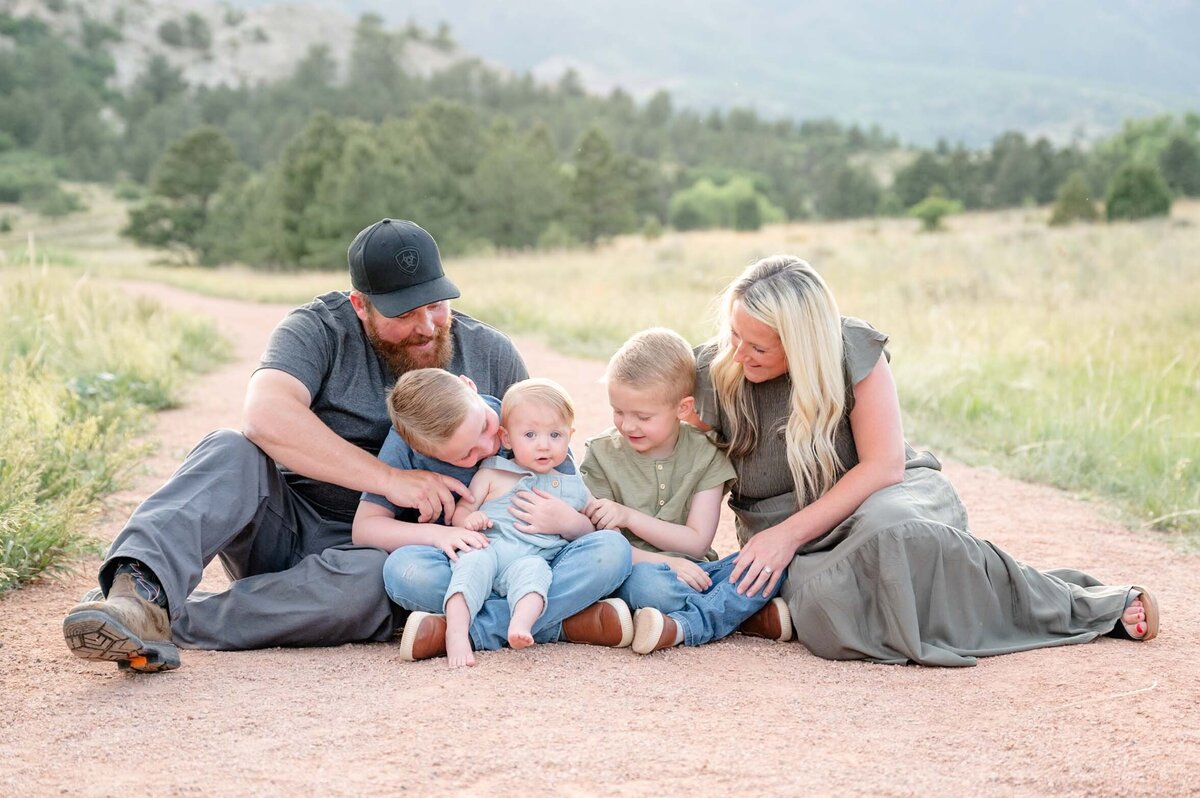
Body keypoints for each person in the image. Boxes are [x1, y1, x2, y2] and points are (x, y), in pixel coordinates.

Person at [63, 218, 527, 672]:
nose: (425, 325)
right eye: (403, 314)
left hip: (391, 556)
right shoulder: (318, 329)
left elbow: (543, 452)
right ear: (360, 305)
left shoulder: (490, 354)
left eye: (435, 304)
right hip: (286, 529)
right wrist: (391, 480)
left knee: (375, 583)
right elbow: (265, 417)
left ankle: (166, 620)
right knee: (230, 449)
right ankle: (137, 592)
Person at [689, 255, 1159, 667]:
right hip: (795, 540)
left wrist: (787, 536)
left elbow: (883, 467)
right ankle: (782, 611)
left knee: (893, 536)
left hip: (882, 501)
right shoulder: (715, 373)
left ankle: (1081, 605)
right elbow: (656, 452)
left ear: (802, 342)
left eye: (758, 346)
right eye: (734, 334)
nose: (738, 352)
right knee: (828, 599)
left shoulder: (852, 350)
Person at [354, 369, 633, 664]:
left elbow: (586, 516)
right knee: (402, 570)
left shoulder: (525, 417)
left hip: (539, 561)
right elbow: (366, 528)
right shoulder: (407, 443)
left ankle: (472, 630)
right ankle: (566, 622)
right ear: (420, 450)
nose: (489, 447)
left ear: (469, 386)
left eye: (487, 426)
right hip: (470, 557)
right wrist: (441, 533)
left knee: (612, 551)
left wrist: (567, 522)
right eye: (465, 455)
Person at [580, 328, 788, 655]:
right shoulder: (602, 455)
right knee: (652, 589)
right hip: (636, 569)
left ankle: (693, 617)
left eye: (643, 416)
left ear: (682, 408)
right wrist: (665, 564)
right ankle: (737, 617)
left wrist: (629, 517)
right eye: (618, 411)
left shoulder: (706, 454)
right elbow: (593, 547)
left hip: (698, 570)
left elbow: (697, 542)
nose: (628, 425)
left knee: (764, 568)